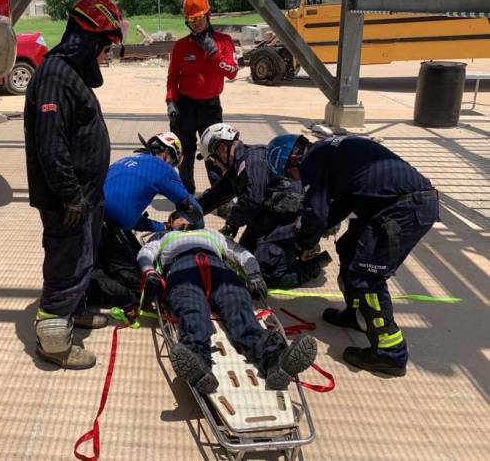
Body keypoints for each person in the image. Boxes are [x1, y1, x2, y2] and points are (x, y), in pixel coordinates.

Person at [267, 134, 440, 376]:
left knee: (366, 277)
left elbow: (315, 213)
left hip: (404, 208)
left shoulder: (312, 163)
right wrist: (321, 229)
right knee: (348, 246)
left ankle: (390, 354)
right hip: (392, 204)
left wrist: (302, 244)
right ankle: (357, 314)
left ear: (295, 159)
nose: (294, 180)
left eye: (290, 174)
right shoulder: (327, 150)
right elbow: (342, 202)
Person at [24, 0, 125, 370]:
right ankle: (53, 343)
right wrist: (70, 195)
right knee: (67, 262)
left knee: (84, 258)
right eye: (103, 47)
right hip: (68, 199)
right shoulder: (54, 76)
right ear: (87, 41)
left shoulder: (70, 75)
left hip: (84, 195)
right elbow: (51, 145)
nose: (104, 55)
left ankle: (76, 309)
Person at [137, 217, 318, 393]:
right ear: (170, 223)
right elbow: (146, 253)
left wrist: (253, 273)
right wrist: (149, 272)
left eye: (189, 217)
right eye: (179, 218)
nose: (185, 221)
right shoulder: (163, 236)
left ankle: (275, 360)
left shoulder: (213, 234)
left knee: (238, 307)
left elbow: (241, 253)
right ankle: (198, 364)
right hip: (181, 270)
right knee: (192, 310)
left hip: (218, 269)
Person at [197, 123, 330, 288]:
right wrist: (188, 211)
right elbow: (215, 195)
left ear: (222, 149)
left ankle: (312, 264)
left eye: (212, 159)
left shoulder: (253, 160)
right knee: (243, 257)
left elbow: (252, 201)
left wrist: (232, 223)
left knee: (265, 274)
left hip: (291, 222)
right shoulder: (240, 165)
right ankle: (290, 249)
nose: (214, 165)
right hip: (271, 219)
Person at [87, 132, 205, 308]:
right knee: (140, 291)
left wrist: (164, 226)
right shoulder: (162, 167)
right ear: (168, 154)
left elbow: (129, 217)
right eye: (173, 162)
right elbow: (193, 209)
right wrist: (198, 235)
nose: (172, 167)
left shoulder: (122, 163)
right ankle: (83, 289)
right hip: (109, 230)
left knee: (133, 262)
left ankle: (87, 273)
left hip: (90, 225)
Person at [166, 0, 239, 195]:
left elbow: (232, 72)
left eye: (199, 18)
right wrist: (170, 101)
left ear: (208, 16)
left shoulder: (224, 42)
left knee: (217, 152)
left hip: (211, 108)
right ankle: (187, 195)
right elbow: (172, 77)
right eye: (192, 20)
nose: (196, 23)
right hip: (185, 107)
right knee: (185, 155)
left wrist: (215, 54)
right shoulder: (181, 46)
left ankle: (218, 196)